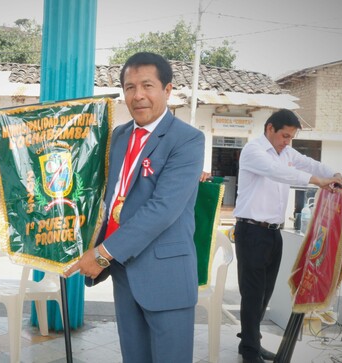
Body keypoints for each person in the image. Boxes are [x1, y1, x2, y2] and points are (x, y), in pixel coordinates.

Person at [66, 52, 205, 362]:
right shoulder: (119, 136)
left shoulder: (187, 140)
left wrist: (102, 254)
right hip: (124, 271)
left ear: (167, 90)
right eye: (129, 87)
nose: (138, 95)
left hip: (165, 275)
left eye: (147, 85)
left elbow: (163, 209)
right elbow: (107, 195)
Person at [233, 109, 342, 363]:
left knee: (265, 293)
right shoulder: (254, 151)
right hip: (251, 231)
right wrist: (317, 180)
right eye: (285, 135)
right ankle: (250, 352)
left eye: (291, 137)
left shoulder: (287, 152)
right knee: (252, 294)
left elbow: (310, 163)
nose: (287, 141)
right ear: (270, 129)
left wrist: (334, 174)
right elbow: (278, 172)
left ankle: (249, 342)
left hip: (274, 233)